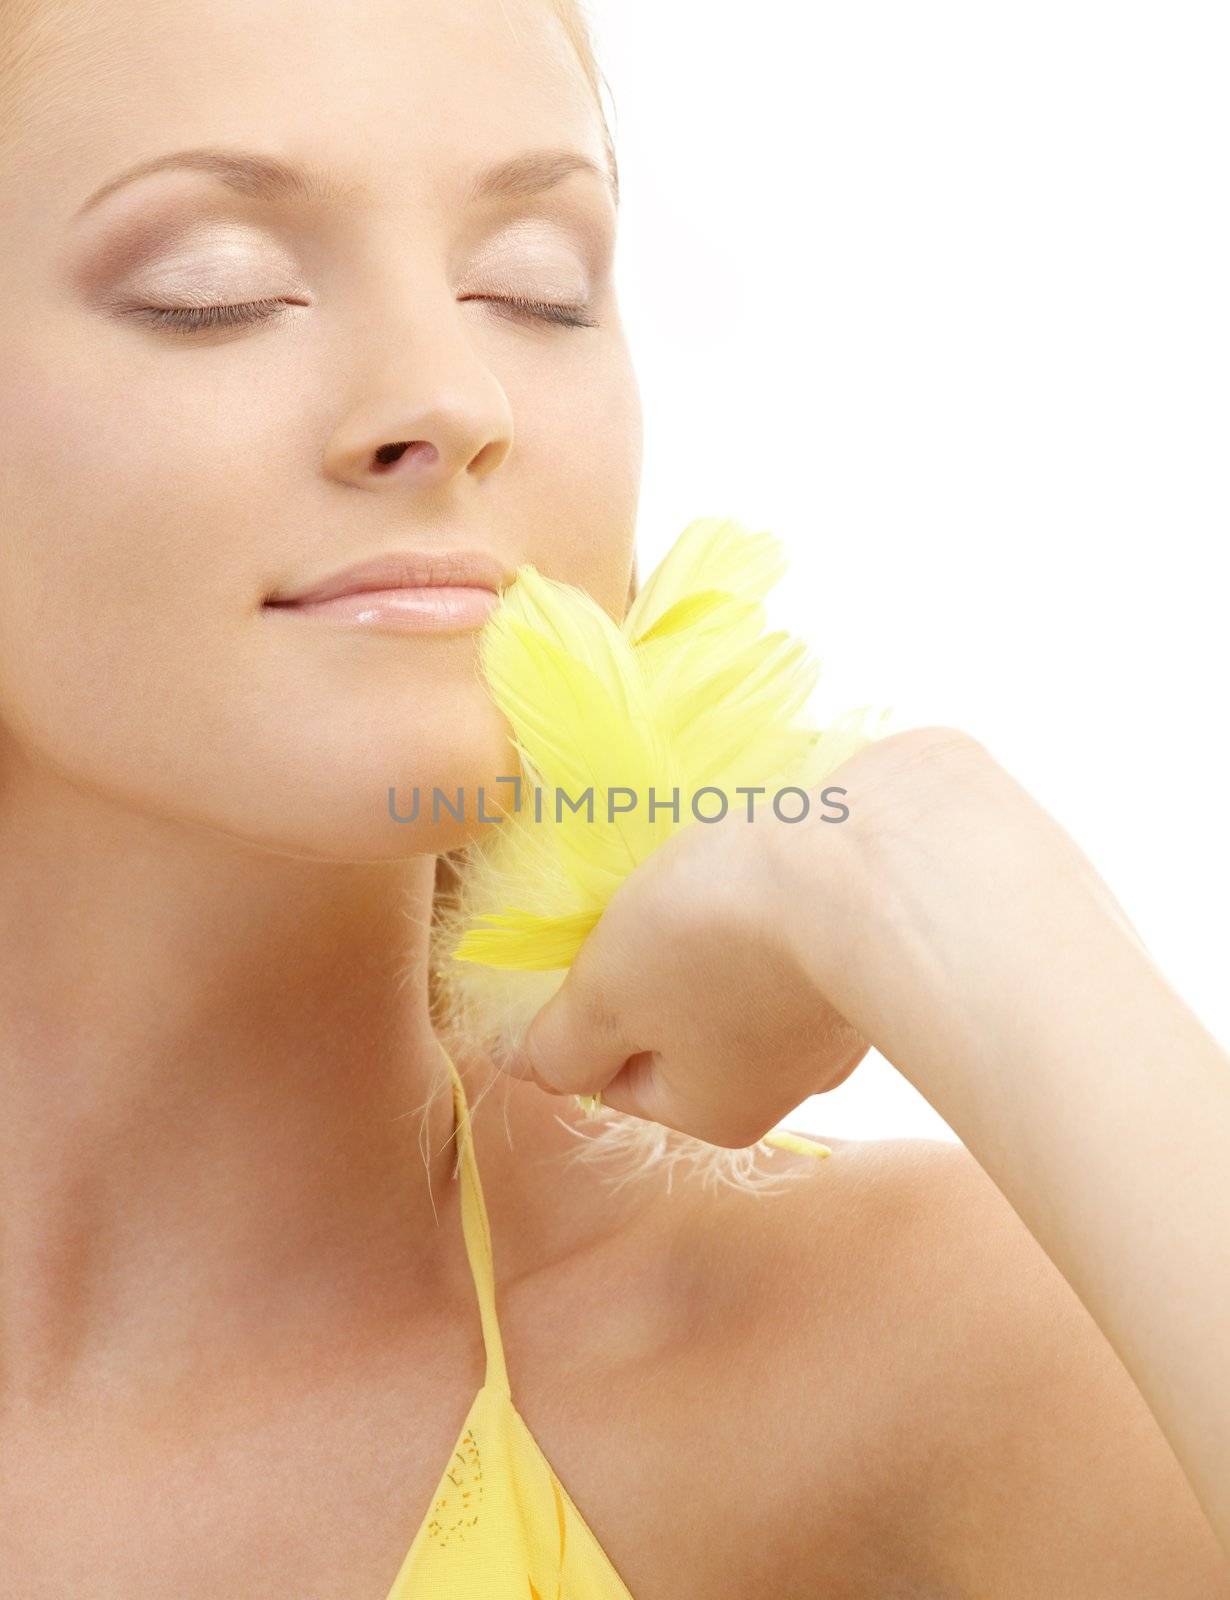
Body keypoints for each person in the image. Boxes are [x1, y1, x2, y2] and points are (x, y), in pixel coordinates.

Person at [1, 0, 1227, 1594]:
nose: (451, 397)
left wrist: (931, 864)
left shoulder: (900, 1359)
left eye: (536, 288)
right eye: (212, 293)